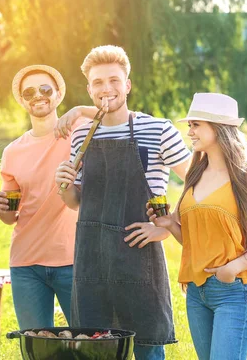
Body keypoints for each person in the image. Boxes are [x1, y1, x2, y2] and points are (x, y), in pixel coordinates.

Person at [55, 45, 191, 360]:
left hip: (139, 261)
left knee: (147, 350)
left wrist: (166, 228)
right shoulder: (81, 136)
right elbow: (76, 202)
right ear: (89, 89)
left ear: (127, 85)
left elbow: (198, 181)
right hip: (93, 262)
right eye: (99, 82)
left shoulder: (157, 130)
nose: (107, 89)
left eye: (114, 80)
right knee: (96, 351)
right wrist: (62, 186)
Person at [147, 93, 247, 360]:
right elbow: (193, 241)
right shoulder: (195, 173)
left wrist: (234, 267)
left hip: (235, 291)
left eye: (196, 124)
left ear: (219, 128)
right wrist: (169, 224)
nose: (189, 132)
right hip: (197, 293)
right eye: (189, 125)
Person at [0, 64, 93, 329]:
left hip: (74, 260)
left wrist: (79, 110)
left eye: (45, 89)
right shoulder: (13, 151)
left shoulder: (80, 130)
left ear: (58, 93)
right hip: (26, 264)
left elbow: (117, 115)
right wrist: (2, 208)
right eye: (29, 92)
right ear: (23, 101)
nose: (37, 95)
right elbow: (9, 217)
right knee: (38, 348)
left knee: (87, 344)